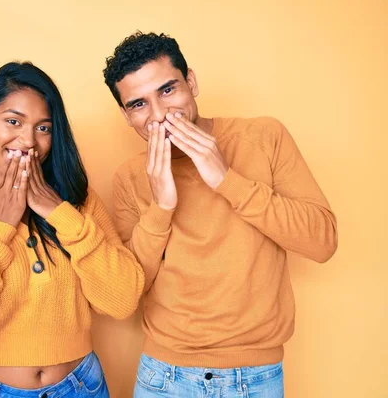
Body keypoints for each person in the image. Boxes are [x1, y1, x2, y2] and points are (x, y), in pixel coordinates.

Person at [102, 32, 338, 397]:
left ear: (191, 82)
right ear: (126, 115)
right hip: (164, 377)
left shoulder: (263, 137)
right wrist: (161, 207)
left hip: (257, 377)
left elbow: (322, 241)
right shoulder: (130, 177)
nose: (160, 114)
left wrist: (227, 180)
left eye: (168, 90)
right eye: (139, 104)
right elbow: (127, 293)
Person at [0, 61, 145, 398]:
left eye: (43, 128)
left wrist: (59, 211)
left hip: (82, 386)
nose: (28, 140)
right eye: (13, 121)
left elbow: (122, 301)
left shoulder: (78, 202)